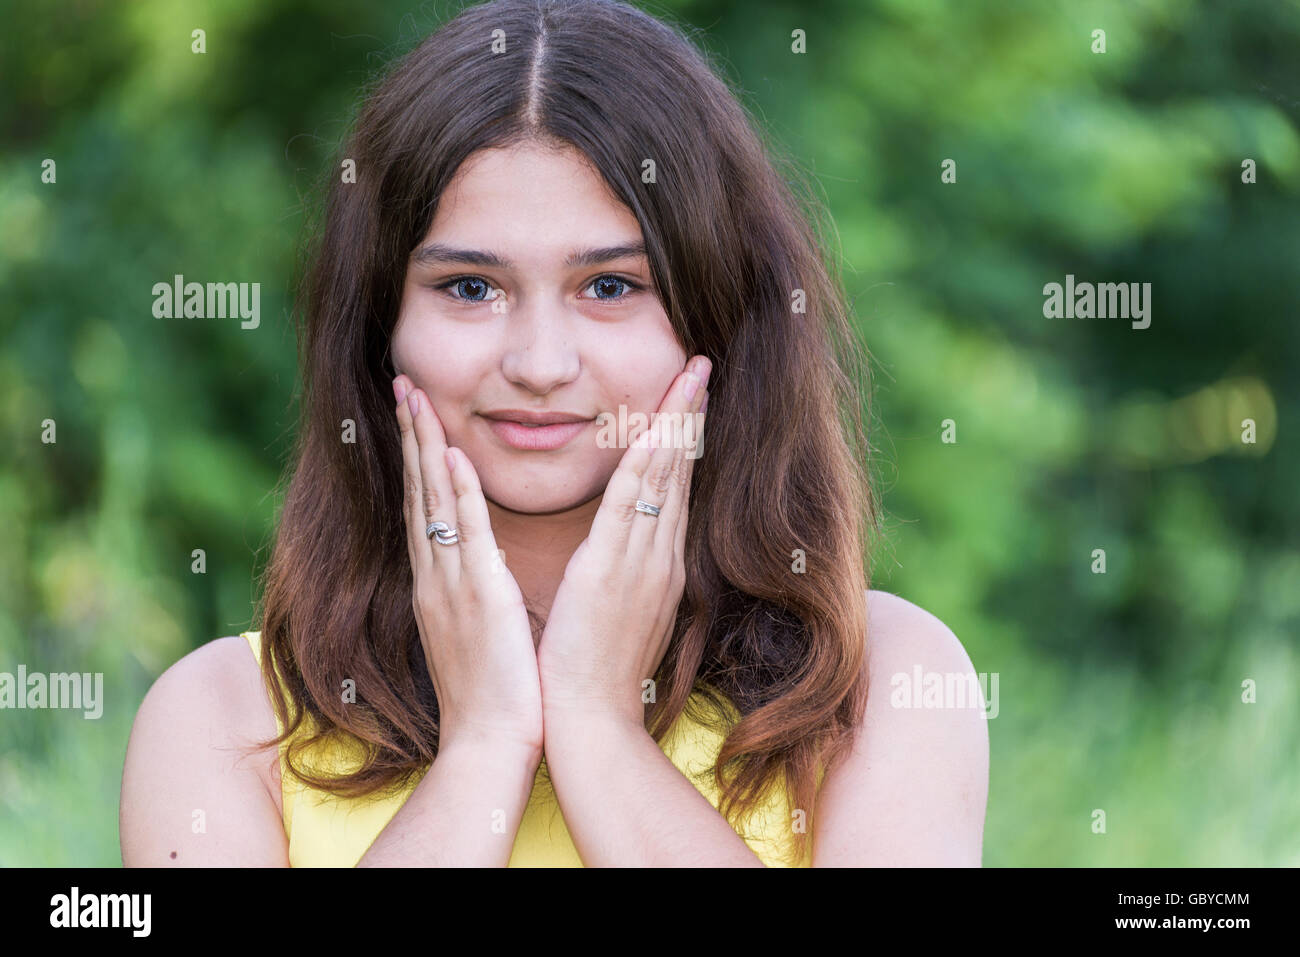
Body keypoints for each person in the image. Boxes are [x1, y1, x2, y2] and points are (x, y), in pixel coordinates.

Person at [120, 0, 988, 867]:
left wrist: (596, 723)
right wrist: (485, 745)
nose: (539, 363)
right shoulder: (223, 719)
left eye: (610, 286)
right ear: (378, 327)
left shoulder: (881, 686)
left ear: (720, 321)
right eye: (469, 287)